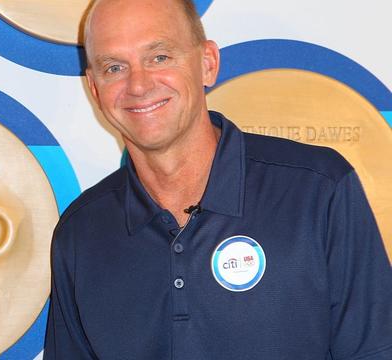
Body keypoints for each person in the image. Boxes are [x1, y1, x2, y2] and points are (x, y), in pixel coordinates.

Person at [43, 0, 392, 358]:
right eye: (115, 67)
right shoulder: (80, 233)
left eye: (159, 57)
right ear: (95, 90)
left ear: (207, 64)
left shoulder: (318, 190)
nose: (138, 85)